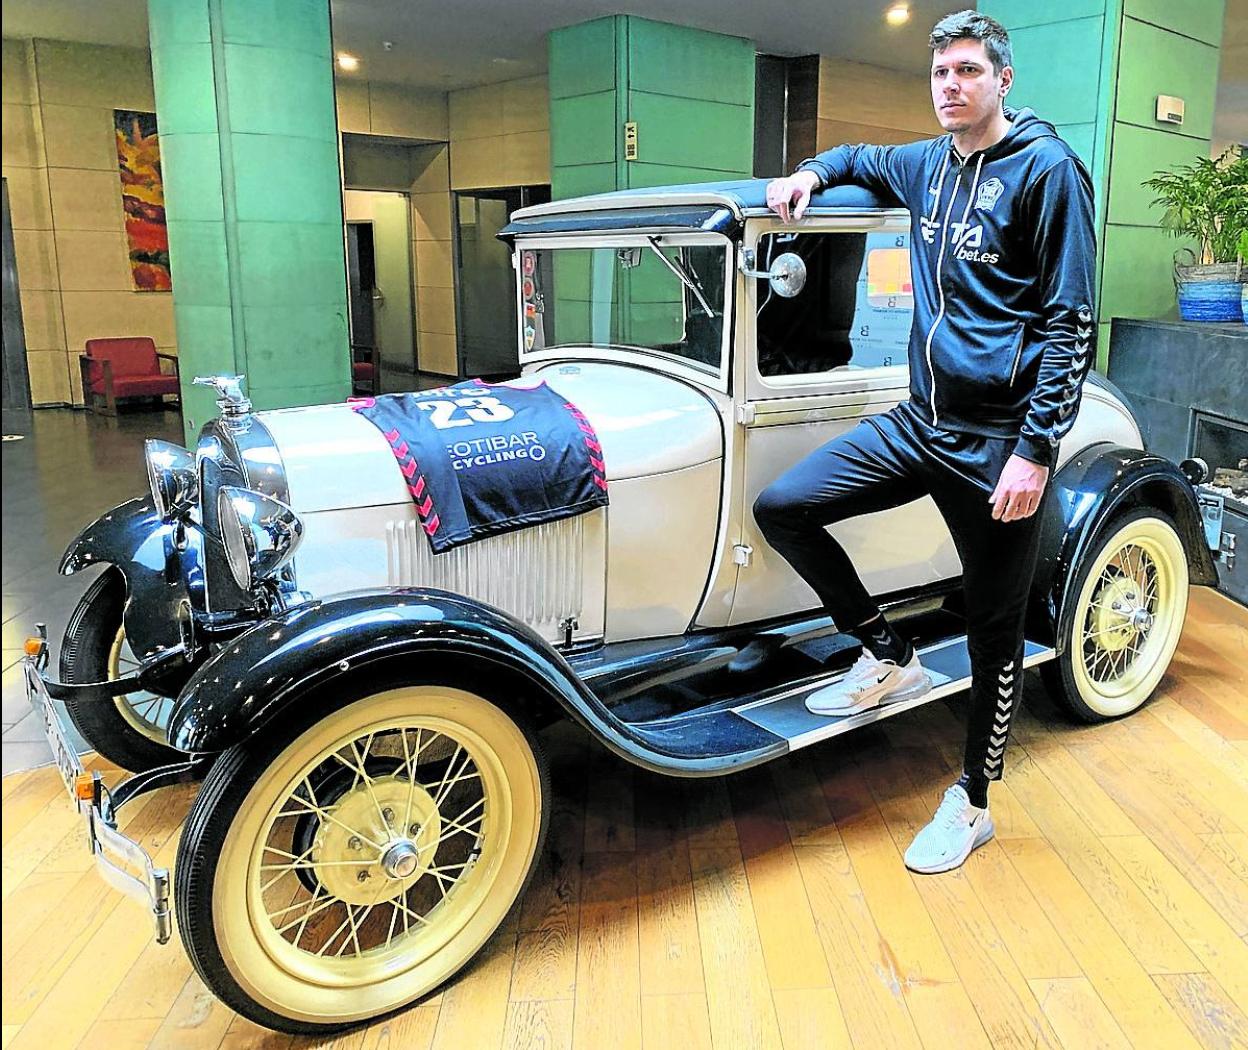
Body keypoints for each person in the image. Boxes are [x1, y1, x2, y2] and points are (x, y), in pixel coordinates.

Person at [757, 9, 1096, 873]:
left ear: (1003, 80)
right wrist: (809, 171)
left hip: (998, 447)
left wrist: (1035, 450)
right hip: (922, 422)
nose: (952, 86)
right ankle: (888, 652)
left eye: (969, 72)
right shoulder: (927, 163)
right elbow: (863, 159)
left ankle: (972, 803)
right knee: (785, 506)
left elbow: (1070, 322)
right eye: (942, 73)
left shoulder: (1048, 171)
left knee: (994, 633)